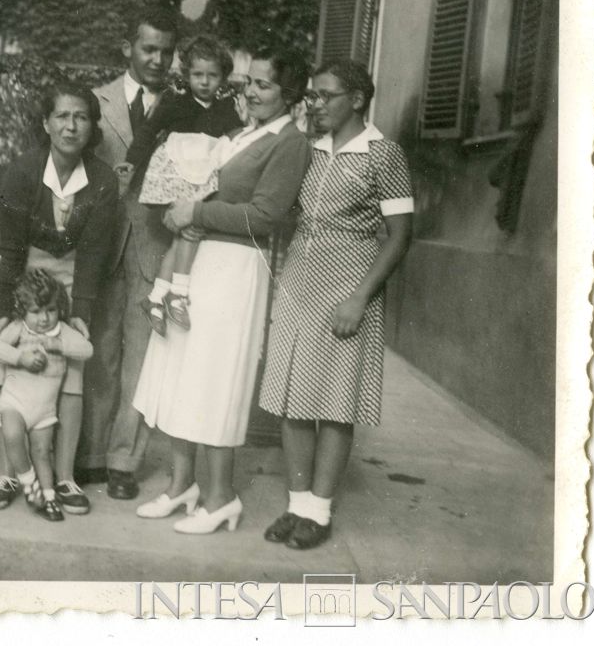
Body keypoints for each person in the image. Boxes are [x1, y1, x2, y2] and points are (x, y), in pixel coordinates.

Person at [132, 47, 312, 534]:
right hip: (201, 258)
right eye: (248, 83)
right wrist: (182, 209)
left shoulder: (290, 142)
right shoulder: (239, 134)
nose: (249, 91)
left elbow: (266, 216)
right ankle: (182, 485)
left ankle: (220, 497)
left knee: (214, 380)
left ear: (289, 94)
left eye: (263, 85)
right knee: (181, 370)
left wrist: (196, 213)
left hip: (234, 267)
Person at [258, 60, 414, 550]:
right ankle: (297, 502)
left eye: (326, 96)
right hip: (300, 280)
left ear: (358, 99)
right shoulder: (308, 149)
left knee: (335, 401)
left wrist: (360, 298)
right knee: (293, 396)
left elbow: (400, 235)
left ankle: (320, 511)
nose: (316, 103)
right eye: (312, 96)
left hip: (349, 286)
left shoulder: (383, 154)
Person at [0, 82, 119, 515]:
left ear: (92, 125)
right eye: (62, 116)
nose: (71, 125)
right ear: (46, 123)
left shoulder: (101, 179)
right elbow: (11, 249)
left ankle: (64, 479)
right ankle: (7, 472)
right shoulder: (21, 172)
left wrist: (79, 312)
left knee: (71, 375)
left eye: (81, 116)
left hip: (73, 271)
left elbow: (95, 252)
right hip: (20, 274)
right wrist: (7, 310)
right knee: (8, 369)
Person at [78, 4, 178, 501]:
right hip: (100, 247)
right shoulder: (93, 102)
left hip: (154, 248)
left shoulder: (185, 109)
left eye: (166, 51)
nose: (158, 60)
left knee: (142, 359)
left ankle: (123, 461)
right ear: (128, 49)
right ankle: (91, 454)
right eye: (148, 48)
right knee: (99, 355)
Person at [127, 34, 243, 334]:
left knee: (185, 236)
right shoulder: (175, 103)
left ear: (223, 77)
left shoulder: (226, 109)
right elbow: (149, 129)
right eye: (197, 75)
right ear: (187, 74)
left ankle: (156, 297)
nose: (204, 82)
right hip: (178, 171)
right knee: (188, 232)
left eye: (212, 76)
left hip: (203, 175)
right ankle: (178, 292)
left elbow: (237, 140)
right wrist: (131, 160)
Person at [0, 269, 95, 522]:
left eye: (50, 310)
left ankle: (48, 499)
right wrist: (20, 358)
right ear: (23, 311)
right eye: (35, 312)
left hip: (44, 410)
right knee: (12, 434)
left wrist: (61, 346)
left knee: (42, 452)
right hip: (15, 401)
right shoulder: (19, 329)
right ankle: (28, 481)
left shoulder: (61, 332)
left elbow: (87, 349)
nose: (44, 318)